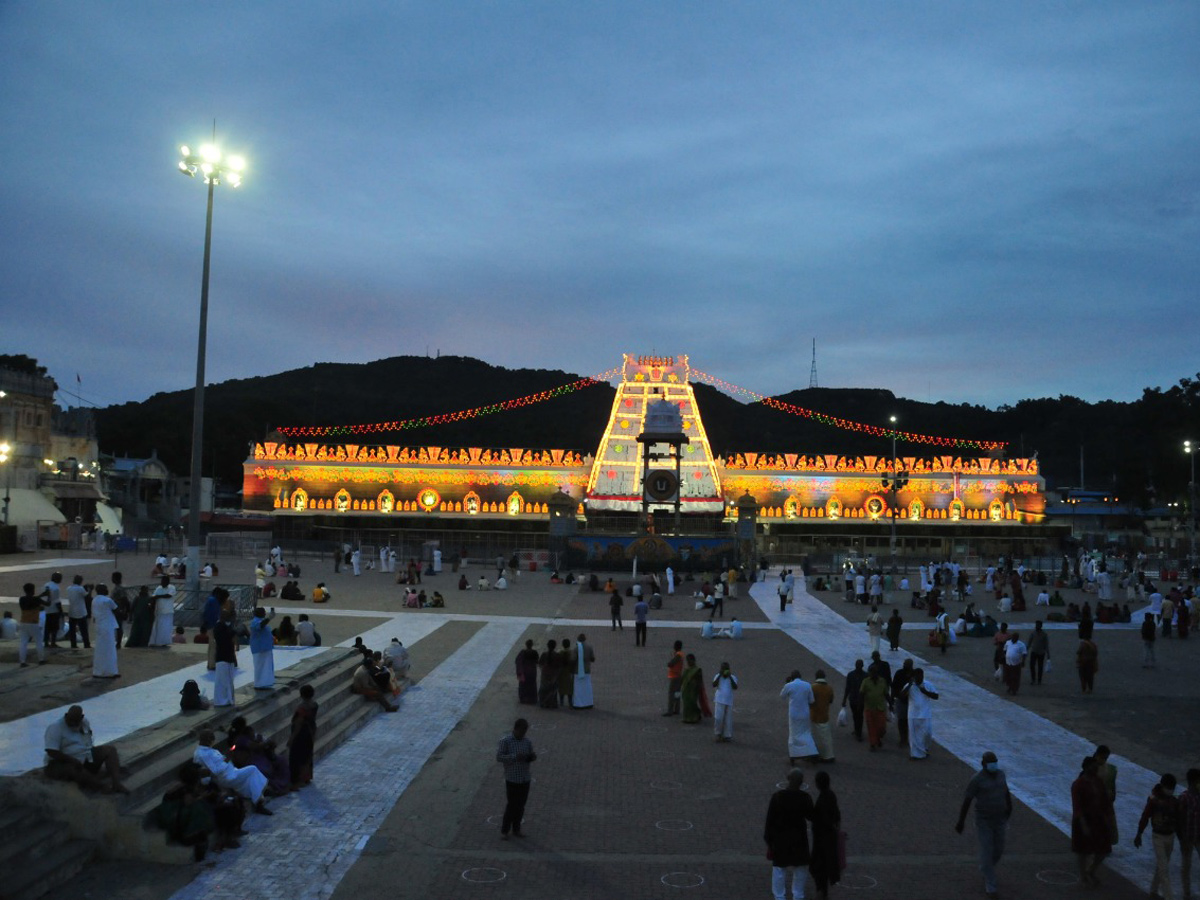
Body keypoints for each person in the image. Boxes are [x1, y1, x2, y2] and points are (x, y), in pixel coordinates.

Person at [955, 751, 1013, 900]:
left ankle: (986, 868)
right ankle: (991, 885)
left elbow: (1006, 792)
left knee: (999, 849)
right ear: (983, 764)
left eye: (995, 761)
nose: (993, 765)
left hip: (1000, 819)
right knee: (987, 850)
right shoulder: (977, 779)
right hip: (984, 821)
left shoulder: (1001, 775)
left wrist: (1009, 807)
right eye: (990, 762)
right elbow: (967, 800)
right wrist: (961, 821)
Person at [44, 705, 129, 793]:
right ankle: (100, 787)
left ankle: (117, 784)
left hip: (83, 757)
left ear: (81, 718)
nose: (72, 723)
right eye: (70, 720)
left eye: (75, 721)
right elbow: (52, 752)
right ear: (66, 715)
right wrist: (72, 760)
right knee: (73, 768)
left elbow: (88, 742)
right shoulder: (55, 727)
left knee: (110, 750)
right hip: (61, 763)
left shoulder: (84, 723)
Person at [192, 730, 273, 815]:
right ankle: (258, 802)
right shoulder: (202, 754)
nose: (213, 741)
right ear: (207, 740)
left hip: (231, 771)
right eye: (211, 739)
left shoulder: (209, 750)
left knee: (251, 777)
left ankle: (259, 794)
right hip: (225, 777)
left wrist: (226, 755)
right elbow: (215, 771)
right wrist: (227, 759)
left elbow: (220, 761)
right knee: (253, 769)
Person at [764, 768, 814, 900]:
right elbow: (811, 816)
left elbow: (770, 821)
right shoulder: (805, 798)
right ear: (801, 782)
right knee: (800, 868)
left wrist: (769, 841)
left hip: (781, 838)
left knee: (779, 869)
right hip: (799, 838)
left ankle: (779, 897)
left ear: (788, 779)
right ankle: (798, 895)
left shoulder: (778, 797)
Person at [1134, 773, 1180, 900]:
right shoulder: (1154, 800)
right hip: (1158, 836)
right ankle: (1168, 897)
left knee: (1162, 866)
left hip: (1170, 836)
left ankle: (1153, 891)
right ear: (1163, 786)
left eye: (1172, 787)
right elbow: (1145, 817)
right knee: (1164, 869)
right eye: (1169, 787)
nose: (1171, 790)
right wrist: (1139, 833)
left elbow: (1178, 820)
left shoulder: (1174, 801)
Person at [1071, 756, 1112, 887]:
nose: (1095, 769)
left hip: (1098, 819)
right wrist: (1083, 824)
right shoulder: (1079, 784)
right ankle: (1083, 876)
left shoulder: (1098, 781)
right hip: (1084, 820)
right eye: (1093, 766)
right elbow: (1077, 806)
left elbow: (1105, 801)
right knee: (1083, 851)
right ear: (1087, 767)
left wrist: (1107, 818)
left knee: (1103, 849)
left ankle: (1091, 871)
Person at [496, 717, 536, 839]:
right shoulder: (505, 741)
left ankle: (516, 829)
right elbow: (499, 757)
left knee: (521, 806)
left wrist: (531, 757)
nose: (523, 734)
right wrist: (514, 757)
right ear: (516, 729)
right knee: (512, 805)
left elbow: (530, 755)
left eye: (525, 732)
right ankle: (505, 831)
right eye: (522, 731)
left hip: (525, 778)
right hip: (512, 779)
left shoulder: (527, 742)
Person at [809, 770, 841, 900]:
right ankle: (823, 892)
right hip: (829, 838)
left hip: (822, 840)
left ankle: (821, 893)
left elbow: (822, 819)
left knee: (818, 867)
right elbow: (836, 815)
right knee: (824, 866)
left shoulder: (822, 800)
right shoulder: (831, 795)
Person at [781, 670, 817, 765]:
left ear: (792, 677)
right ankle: (811, 752)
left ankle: (794, 755)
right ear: (800, 676)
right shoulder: (807, 685)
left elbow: (782, 696)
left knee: (794, 734)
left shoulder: (789, 685)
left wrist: (787, 683)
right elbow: (812, 700)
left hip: (794, 714)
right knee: (806, 733)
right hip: (805, 713)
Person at [289, 684, 319, 789]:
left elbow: (298, 724)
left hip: (301, 735)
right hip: (311, 731)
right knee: (307, 755)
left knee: (298, 756)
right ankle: (306, 777)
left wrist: (291, 739)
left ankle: (298, 780)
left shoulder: (302, 708)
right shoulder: (314, 704)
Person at [904, 668, 938, 759]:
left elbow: (936, 696)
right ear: (914, 676)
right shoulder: (909, 685)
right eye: (918, 676)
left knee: (928, 733)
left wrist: (926, 692)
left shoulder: (928, 684)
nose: (920, 677)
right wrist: (909, 685)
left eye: (921, 675)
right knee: (914, 736)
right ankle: (915, 754)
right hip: (913, 714)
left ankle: (925, 748)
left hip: (926, 714)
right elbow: (901, 695)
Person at [1178, 768, 1200, 899]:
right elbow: (1180, 819)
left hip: (1198, 836)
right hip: (1187, 837)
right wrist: (1182, 837)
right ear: (1193, 782)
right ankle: (1186, 893)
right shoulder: (1184, 798)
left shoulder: (1198, 796)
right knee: (1186, 865)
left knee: (1187, 864)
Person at [90, 584, 120, 679]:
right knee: (110, 649)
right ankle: (111, 671)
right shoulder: (107, 600)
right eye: (106, 588)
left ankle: (98, 671)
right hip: (108, 627)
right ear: (102, 590)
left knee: (100, 650)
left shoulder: (94, 600)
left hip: (99, 627)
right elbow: (116, 610)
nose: (107, 590)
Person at [859, 663, 890, 751]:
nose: (873, 674)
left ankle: (878, 738)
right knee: (871, 727)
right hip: (869, 708)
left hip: (880, 708)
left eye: (875, 672)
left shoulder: (882, 681)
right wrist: (860, 704)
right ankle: (873, 744)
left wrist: (891, 704)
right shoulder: (865, 681)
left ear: (877, 673)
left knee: (881, 728)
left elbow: (886, 694)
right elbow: (861, 693)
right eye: (871, 672)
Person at [17, 582, 47, 667]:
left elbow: (32, 600)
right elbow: (47, 603)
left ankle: (22, 661)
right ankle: (41, 659)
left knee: (23, 642)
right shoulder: (36, 600)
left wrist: (41, 595)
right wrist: (48, 595)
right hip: (33, 623)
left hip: (23, 622)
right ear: (31, 590)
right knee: (39, 641)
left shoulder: (22, 599)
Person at [809, 670, 836, 763]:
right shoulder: (829, 688)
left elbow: (809, 700)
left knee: (815, 736)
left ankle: (815, 754)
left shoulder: (812, 687)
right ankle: (828, 755)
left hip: (814, 715)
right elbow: (831, 700)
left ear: (816, 677)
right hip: (825, 715)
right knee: (826, 737)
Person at [680, 653, 711, 724]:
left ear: (693, 660)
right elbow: (682, 678)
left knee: (692, 703)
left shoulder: (697, 670)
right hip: (686, 689)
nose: (688, 662)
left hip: (693, 689)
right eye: (687, 661)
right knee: (686, 703)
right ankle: (686, 717)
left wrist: (700, 689)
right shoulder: (686, 670)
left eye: (689, 661)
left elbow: (700, 680)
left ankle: (694, 717)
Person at [840, 659, 866, 742]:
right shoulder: (861, 675)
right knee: (856, 715)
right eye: (858, 665)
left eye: (859, 665)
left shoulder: (854, 675)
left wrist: (844, 699)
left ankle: (859, 733)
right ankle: (857, 730)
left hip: (860, 699)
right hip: (854, 699)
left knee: (859, 715)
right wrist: (844, 699)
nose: (858, 666)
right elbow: (847, 688)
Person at [249, 607, 275, 689]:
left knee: (266, 666)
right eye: (263, 612)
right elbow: (260, 625)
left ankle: (265, 683)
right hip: (259, 648)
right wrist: (269, 618)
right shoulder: (255, 622)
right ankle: (259, 684)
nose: (264, 614)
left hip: (265, 647)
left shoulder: (260, 620)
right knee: (260, 666)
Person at [712, 661, 738, 742]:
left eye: (726, 669)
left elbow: (735, 687)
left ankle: (727, 735)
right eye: (723, 669)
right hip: (719, 700)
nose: (725, 670)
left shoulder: (733, 677)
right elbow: (714, 684)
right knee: (718, 718)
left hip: (729, 700)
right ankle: (718, 734)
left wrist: (729, 676)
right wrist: (720, 675)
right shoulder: (717, 676)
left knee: (728, 719)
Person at [64, 575, 91, 649]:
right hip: (81, 612)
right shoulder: (80, 589)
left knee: (72, 630)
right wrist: (89, 590)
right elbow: (87, 597)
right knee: (83, 630)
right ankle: (86, 644)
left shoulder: (68, 588)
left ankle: (73, 644)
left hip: (72, 611)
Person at [149, 576, 176, 647]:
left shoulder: (172, 588)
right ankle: (157, 642)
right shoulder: (158, 588)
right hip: (159, 611)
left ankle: (165, 642)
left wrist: (158, 596)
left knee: (166, 628)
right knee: (159, 627)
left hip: (168, 611)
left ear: (168, 582)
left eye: (164, 581)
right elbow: (153, 596)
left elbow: (169, 595)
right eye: (162, 581)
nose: (162, 583)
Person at [39, 572, 63, 649]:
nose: (61, 579)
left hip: (47, 610)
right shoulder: (56, 588)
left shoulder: (46, 585)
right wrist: (61, 611)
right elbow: (57, 602)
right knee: (55, 628)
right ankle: (53, 642)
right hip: (54, 610)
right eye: (60, 578)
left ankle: (46, 642)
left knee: (47, 627)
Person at [571, 633, 595, 709]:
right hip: (587, 670)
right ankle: (588, 702)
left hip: (578, 671)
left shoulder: (576, 648)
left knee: (578, 689)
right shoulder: (589, 647)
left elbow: (573, 659)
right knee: (587, 687)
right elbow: (593, 659)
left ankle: (578, 704)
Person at [1002, 630, 1026, 696]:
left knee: (1015, 677)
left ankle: (1014, 689)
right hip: (1008, 663)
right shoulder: (1008, 643)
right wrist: (1005, 657)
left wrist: (1023, 661)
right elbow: (1004, 650)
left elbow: (1024, 653)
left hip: (1016, 663)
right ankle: (1010, 687)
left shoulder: (1021, 644)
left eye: (1015, 637)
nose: (1014, 638)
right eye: (1013, 637)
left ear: (1017, 638)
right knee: (1008, 676)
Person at [515, 639, 539, 705]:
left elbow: (517, 660)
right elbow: (537, 661)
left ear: (526, 645)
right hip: (532, 671)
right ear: (532, 645)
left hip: (525, 671)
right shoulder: (534, 652)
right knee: (532, 685)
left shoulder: (523, 652)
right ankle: (532, 699)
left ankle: (523, 698)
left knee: (523, 685)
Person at [538, 639, 560, 708]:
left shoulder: (544, 654)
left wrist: (543, 669)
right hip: (553, 675)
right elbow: (559, 666)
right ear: (555, 646)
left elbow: (540, 664)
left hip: (545, 675)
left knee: (544, 689)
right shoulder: (557, 655)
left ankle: (543, 702)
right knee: (552, 689)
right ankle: (551, 703)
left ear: (547, 646)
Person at [664, 640, 684, 716]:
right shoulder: (680, 654)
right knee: (677, 693)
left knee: (671, 693)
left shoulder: (678, 655)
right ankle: (677, 709)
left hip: (674, 676)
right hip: (678, 675)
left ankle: (670, 711)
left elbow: (670, 664)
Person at [1028, 620, 1050, 685]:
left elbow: (1046, 645)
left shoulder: (1044, 634)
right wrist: (1025, 650)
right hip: (1034, 652)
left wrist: (1048, 654)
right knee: (1032, 666)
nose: (1037, 626)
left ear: (1041, 626)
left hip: (1041, 653)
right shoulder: (1033, 633)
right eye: (1036, 625)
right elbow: (1029, 643)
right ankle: (1033, 679)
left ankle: (1039, 680)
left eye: (1038, 625)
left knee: (1040, 667)